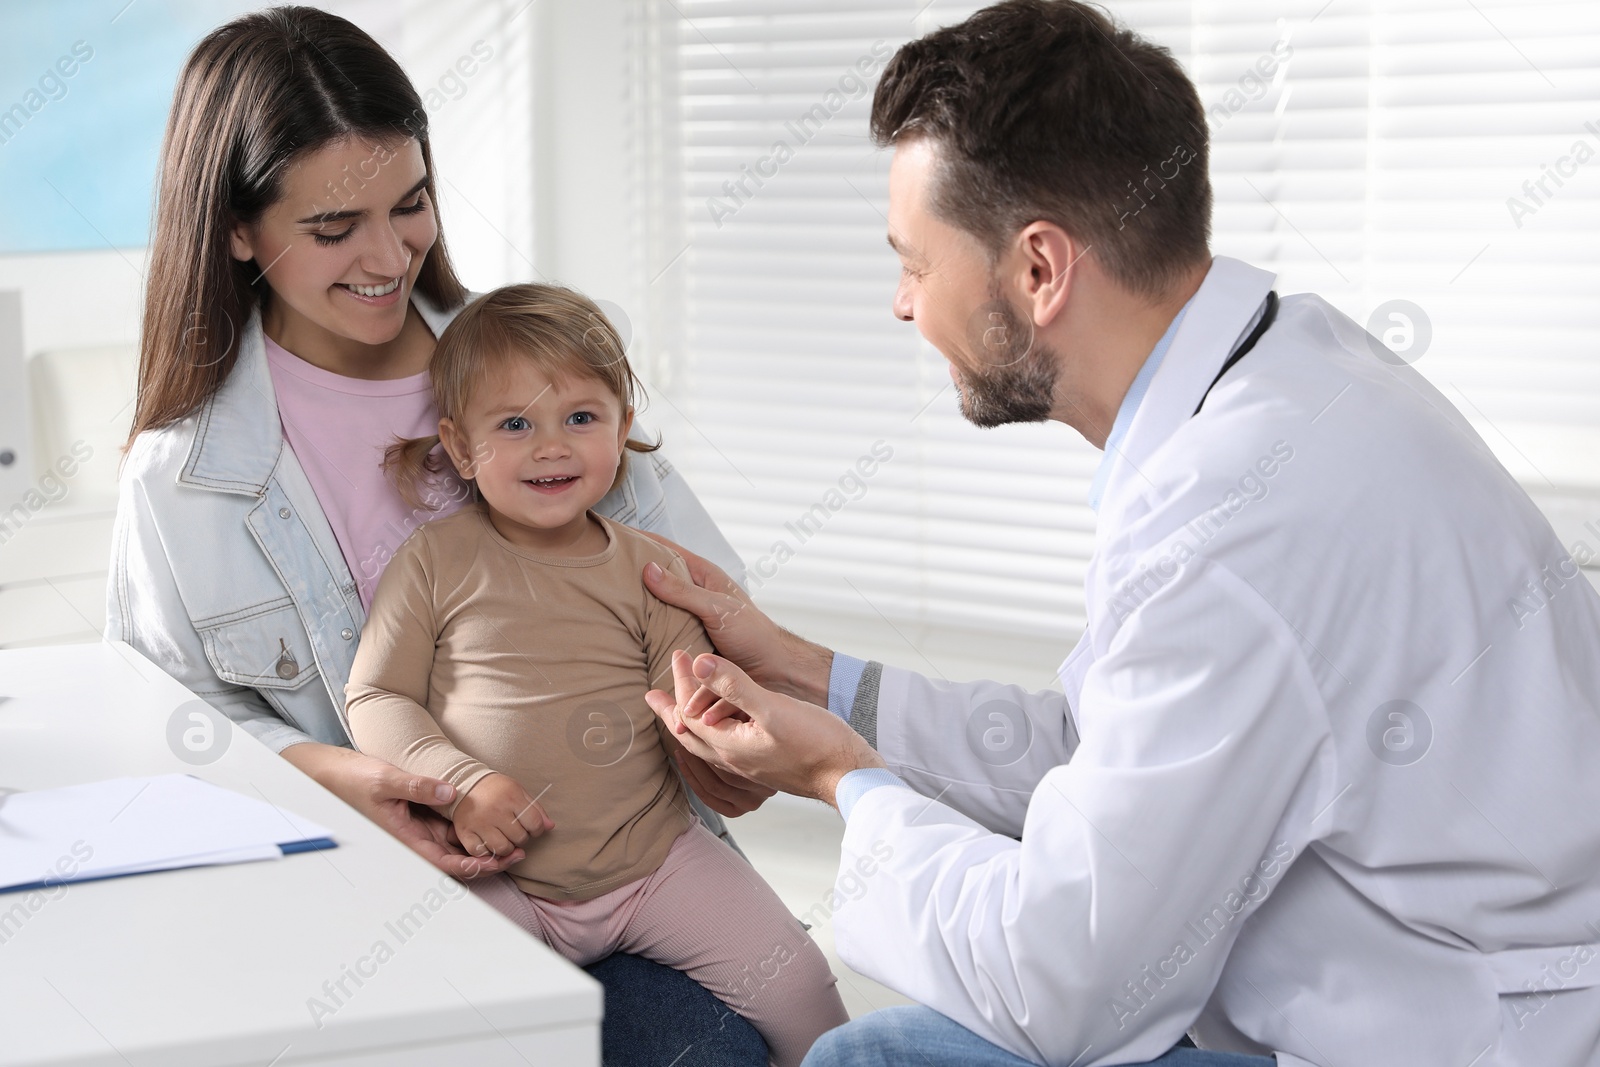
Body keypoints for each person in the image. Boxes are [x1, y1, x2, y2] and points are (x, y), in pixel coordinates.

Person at [640, 2, 1600, 1065]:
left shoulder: (1235, 517)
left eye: (914, 261)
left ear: (1039, 268)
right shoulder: (1288, 375)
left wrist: (843, 782)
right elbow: (1110, 751)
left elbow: (1062, 984)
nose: (902, 306)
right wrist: (818, 678)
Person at [105, 8, 766, 1063]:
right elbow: (164, 728)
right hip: (367, 913)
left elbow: (715, 610)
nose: (386, 254)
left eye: (408, 205)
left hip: (626, 876)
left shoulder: (547, 372)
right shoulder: (181, 476)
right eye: (333, 228)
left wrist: (725, 732)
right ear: (237, 229)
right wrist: (337, 772)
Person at [344, 283, 849, 1066]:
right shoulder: (435, 562)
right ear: (460, 444)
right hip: (497, 875)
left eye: (581, 417)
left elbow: (692, 696)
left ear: (621, 425)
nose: (552, 445)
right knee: (422, 1010)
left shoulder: (651, 567)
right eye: (516, 424)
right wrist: (459, 779)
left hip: (654, 863)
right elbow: (375, 695)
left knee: (804, 988)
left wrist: (717, 744)